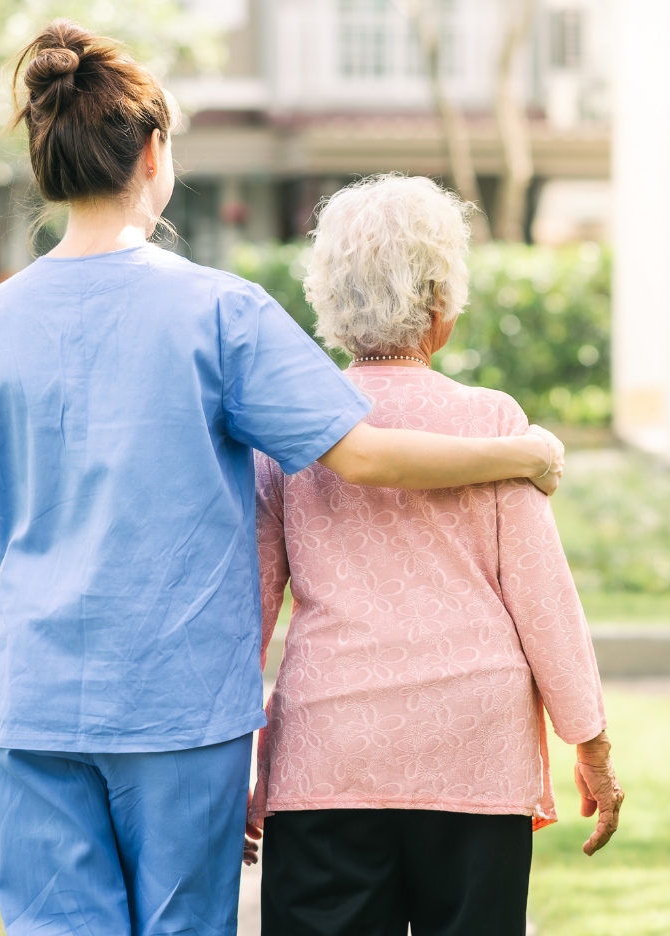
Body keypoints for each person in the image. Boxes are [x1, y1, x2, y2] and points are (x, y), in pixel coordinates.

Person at [0, 22, 567, 936]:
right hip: (178, 709)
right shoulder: (219, 310)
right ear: (154, 153)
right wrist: (520, 454)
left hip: (32, 703)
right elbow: (363, 453)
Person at [250, 174, 624, 936]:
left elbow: (244, 613)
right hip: (472, 755)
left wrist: (232, 768)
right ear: (438, 301)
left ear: (330, 297)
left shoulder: (290, 433)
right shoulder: (493, 423)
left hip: (328, 757)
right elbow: (543, 603)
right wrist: (592, 746)